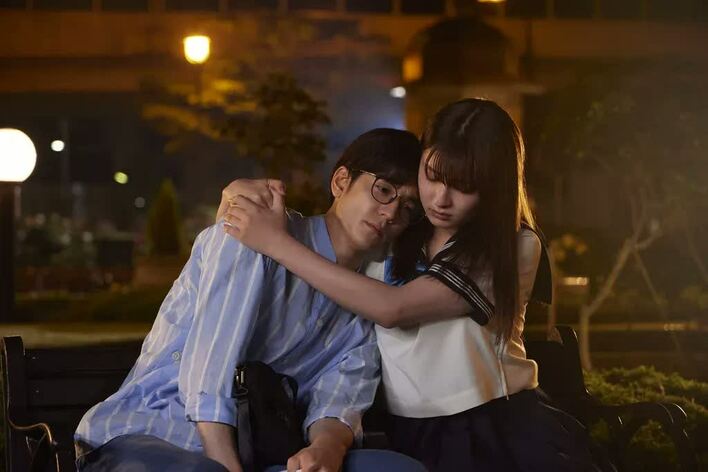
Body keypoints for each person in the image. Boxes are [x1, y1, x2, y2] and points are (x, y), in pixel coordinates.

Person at [221, 98, 599, 471]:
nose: (441, 198)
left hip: (491, 427)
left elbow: (393, 308)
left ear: (494, 188)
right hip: (403, 430)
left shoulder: (512, 246)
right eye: (432, 175)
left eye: (463, 186)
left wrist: (274, 242)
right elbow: (336, 249)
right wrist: (239, 193)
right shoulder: (400, 227)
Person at [74, 128, 428, 472]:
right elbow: (210, 363)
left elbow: (340, 394)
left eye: (408, 208)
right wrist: (226, 462)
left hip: (262, 448)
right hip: (155, 429)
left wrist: (325, 448)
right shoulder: (253, 228)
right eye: (384, 190)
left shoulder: (367, 297)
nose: (391, 213)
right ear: (340, 182)